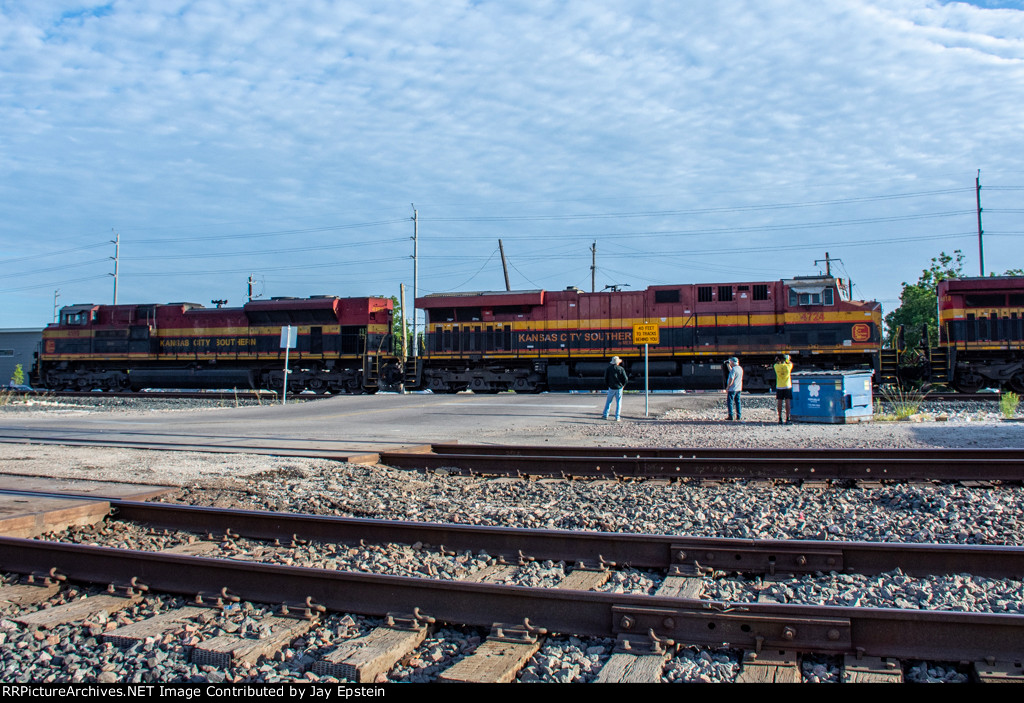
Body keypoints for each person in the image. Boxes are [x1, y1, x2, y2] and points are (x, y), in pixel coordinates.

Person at [602, 356, 628, 421]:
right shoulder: (621, 369)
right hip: (619, 388)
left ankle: (605, 415)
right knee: (619, 402)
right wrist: (623, 385)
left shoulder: (608, 369)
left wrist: (609, 385)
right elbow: (626, 379)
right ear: (618, 362)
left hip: (611, 388)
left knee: (608, 401)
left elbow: (605, 379)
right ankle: (617, 417)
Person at [774, 353, 794, 424]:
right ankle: (788, 418)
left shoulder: (776, 366)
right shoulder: (788, 366)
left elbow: (776, 362)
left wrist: (777, 360)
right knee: (787, 402)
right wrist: (787, 359)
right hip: (787, 385)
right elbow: (790, 362)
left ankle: (780, 418)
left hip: (779, 386)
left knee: (779, 402)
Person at [725, 357, 743, 421]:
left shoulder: (733, 370)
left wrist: (728, 387)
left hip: (732, 389)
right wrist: (728, 365)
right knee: (738, 402)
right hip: (738, 388)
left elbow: (731, 379)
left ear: (732, 362)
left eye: (730, 362)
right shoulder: (740, 368)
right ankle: (739, 416)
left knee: (730, 402)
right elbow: (732, 371)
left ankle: (731, 416)